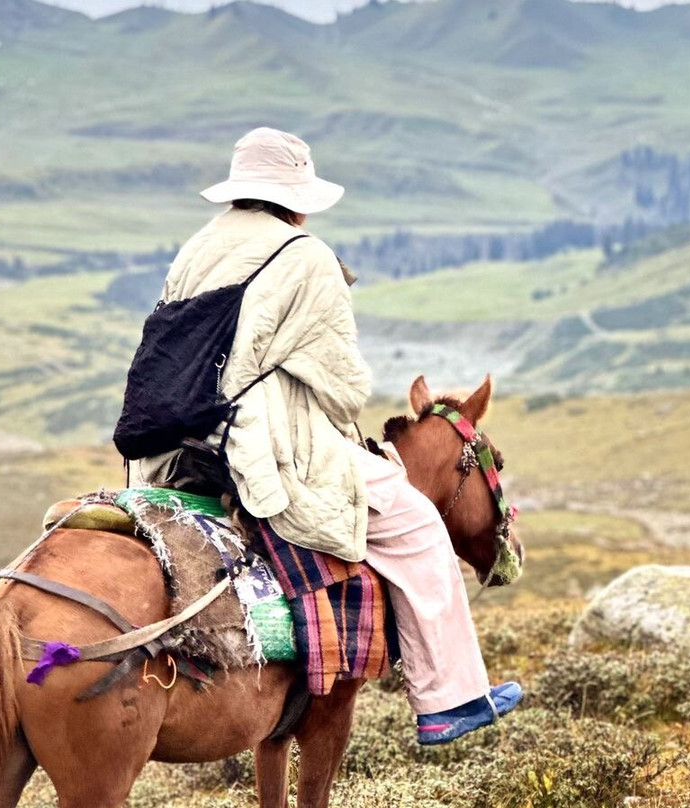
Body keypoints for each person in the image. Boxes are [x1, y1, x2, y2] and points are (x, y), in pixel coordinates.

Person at [130, 127, 521, 744]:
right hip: (266, 448)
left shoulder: (194, 251)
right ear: (297, 197)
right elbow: (344, 388)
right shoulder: (306, 255)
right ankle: (450, 699)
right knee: (418, 524)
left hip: (177, 453)